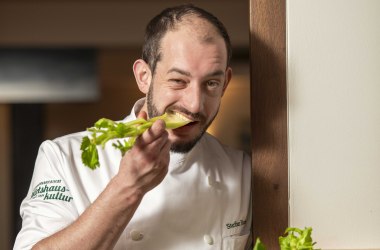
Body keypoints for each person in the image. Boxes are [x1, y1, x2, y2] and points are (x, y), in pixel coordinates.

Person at [14, 4, 251, 250]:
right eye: (178, 81)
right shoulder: (63, 157)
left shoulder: (242, 172)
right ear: (144, 77)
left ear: (225, 84)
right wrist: (128, 186)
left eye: (211, 83)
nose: (195, 104)